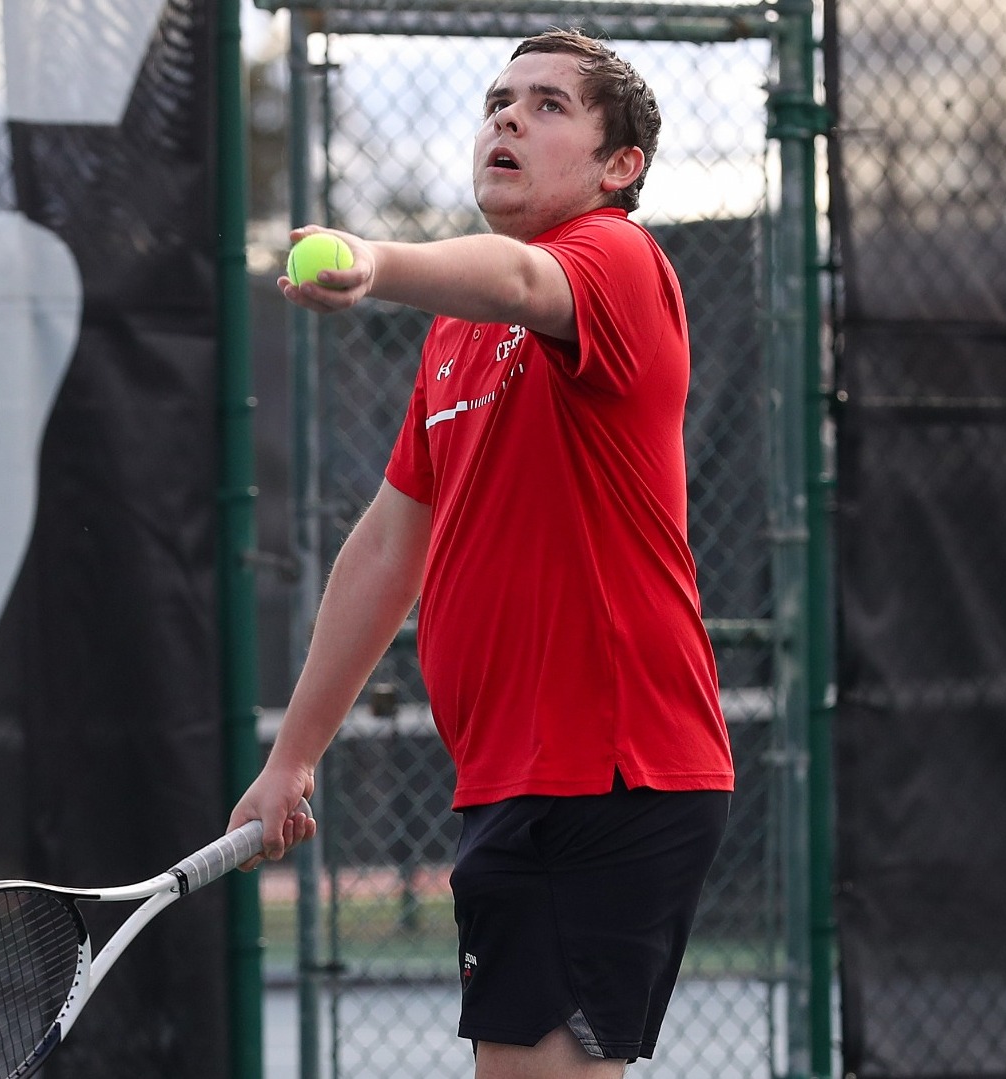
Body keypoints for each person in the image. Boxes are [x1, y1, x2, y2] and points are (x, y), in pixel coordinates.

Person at [231, 28, 736, 1079]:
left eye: (549, 105)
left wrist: (375, 263)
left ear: (619, 165)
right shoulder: (453, 336)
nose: (507, 115)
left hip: (610, 764)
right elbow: (387, 547)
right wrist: (292, 756)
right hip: (514, 774)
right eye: (500, 100)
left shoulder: (617, 260)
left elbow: (513, 279)